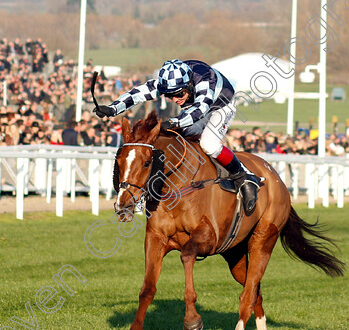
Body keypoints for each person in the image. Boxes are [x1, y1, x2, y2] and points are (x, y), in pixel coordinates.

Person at [94, 59, 260, 215]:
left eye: (179, 94)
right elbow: (138, 93)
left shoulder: (204, 79)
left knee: (208, 143)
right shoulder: (169, 80)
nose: (175, 99)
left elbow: (200, 110)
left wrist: (175, 121)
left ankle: (244, 177)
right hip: (194, 108)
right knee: (177, 142)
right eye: (169, 95)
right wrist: (113, 109)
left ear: (188, 84)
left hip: (221, 106)